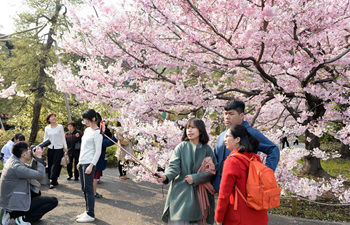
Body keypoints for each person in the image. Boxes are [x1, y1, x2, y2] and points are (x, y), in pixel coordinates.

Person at [157, 118, 217, 225]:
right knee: (179, 219)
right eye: (188, 128)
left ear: (201, 130)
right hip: (181, 190)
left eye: (193, 127)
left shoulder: (207, 149)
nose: (189, 130)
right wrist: (165, 176)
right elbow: (174, 166)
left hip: (200, 192)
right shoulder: (181, 147)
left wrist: (195, 178)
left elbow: (212, 170)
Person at [212, 100, 280, 193]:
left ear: (241, 116)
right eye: (225, 114)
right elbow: (215, 160)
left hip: (243, 189)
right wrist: (213, 182)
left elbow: (273, 150)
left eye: (231, 114)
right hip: (222, 189)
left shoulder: (251, 133)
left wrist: (264, 174)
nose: (227, 117)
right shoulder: (221, 136)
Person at [215, 124, 268, 225]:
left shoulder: (232, 161)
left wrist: (219, 216)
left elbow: (224, 193)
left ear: (237, 139)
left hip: (239, 216)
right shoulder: (255, 158)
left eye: (227, 136)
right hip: (259, 215)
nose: (224, 139)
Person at [0, 142, 58, 225]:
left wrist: (35, 158)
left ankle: (11, 213)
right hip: (15, 204)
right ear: (23, 155)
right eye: (28, 150)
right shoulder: (17, 167)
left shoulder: (13, 160)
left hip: (10, 200)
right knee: (53, 201)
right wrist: (39, 157)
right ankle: (23, 218)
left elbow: (31, 170)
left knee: (37, 193)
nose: (30, 151)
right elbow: (39, 175)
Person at [76, 109, 102, 223]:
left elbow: (98, 152)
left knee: (89, 189)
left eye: (86, 119)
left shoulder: (98, 133)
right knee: (83, 188)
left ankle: (90, 214)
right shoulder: (87, 130)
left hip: (89, 163)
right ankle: (87, 211)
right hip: (82, 162)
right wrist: (79, 161)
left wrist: (91, 165)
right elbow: (83, 148)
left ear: (93, 119)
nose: (84, 121)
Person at [44, 113, 68, 189]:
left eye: (54, 116)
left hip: (59, 148)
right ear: (49, 119)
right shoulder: (47, 128)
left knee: (57, 165)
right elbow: (45, 138)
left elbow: (63, 137)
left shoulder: (60, 127)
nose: (54, 117)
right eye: (52, 117)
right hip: (50, 148)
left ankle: (52, 181)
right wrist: (42, 147)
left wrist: (65, 147)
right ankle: (54, 180)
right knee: (50, 164)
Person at [93, 120, 116, 198]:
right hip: (96, 157)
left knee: (94, 176)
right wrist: (115, 138)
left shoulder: (91, 131)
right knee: (94, 177)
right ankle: (93, 193)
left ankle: (91, 192)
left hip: (94, 157)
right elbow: (105, 142)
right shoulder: (97, 132)